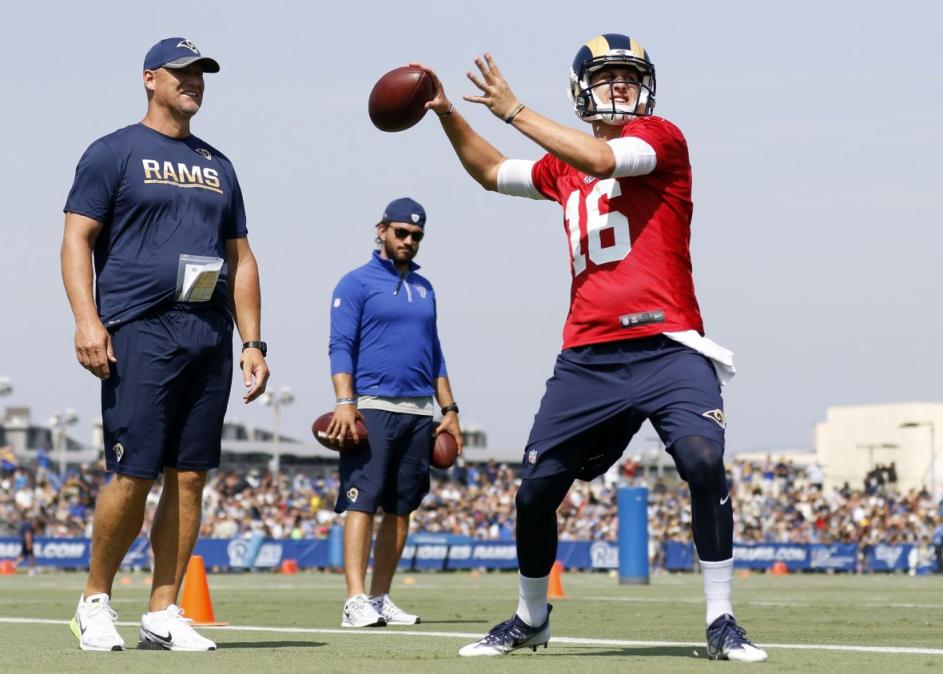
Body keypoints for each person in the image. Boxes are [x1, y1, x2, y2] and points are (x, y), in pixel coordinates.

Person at [415, 33, 767, 661]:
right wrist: (448, 114)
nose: (622, 86)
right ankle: (530, 615)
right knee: (534, 492)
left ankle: (721, 619)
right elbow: (492, 171)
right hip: (588, 355)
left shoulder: (662, 136)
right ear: (582, 93)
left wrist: (515, 110)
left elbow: (605, 163)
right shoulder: (561, 165)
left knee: (702, 461)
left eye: (630, 76)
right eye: (608, 77)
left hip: (669, 345)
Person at [60, 37, 269, 652]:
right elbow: (76, 239)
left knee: (189, 479)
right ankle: (94, 601)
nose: (194, 82)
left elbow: (242, 259)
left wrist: (253, 341)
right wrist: (86, 319)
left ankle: (163, 609)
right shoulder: (114, 151)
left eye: (201, 73)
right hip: (139, 328)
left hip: (207, 329)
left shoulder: (219, 164)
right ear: (150, 78)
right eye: (182, 73)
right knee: (132, 473)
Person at [327, 197, 462, 628]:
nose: (409, 241)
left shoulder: (426, 288)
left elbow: (435, 351)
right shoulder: (355, 283)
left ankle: (382, 597)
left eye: (417, 236)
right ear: (382, 229)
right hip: (372, 405)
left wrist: (450, 408)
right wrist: (345, 402)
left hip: (420, 411)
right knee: (362, 503)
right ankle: (355, 600)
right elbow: (339, 346)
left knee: (402, 508)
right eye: (401, 232)